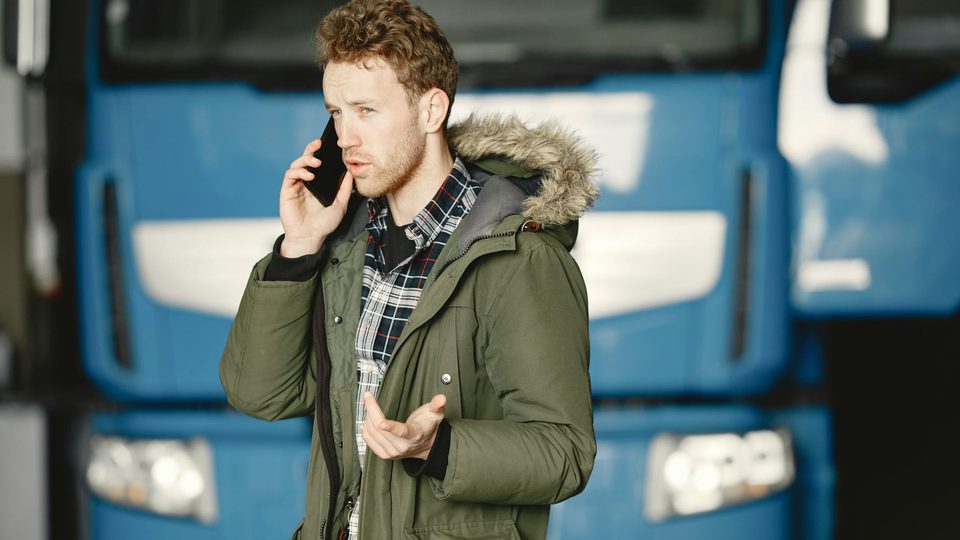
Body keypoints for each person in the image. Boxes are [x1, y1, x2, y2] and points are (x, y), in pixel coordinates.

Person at [220, 1, 598, 538]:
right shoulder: (343, 249)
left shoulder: (518, 258)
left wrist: (437, 447)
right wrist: (299, 248)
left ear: (430, 110)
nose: (345, 137)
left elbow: (565, 452)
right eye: (335, 113)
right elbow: (260, 394)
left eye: (366, 111)